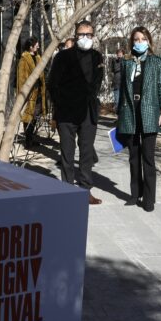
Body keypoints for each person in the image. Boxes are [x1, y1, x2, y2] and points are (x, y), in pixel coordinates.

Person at [48, 21, 104, 205]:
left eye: (89, 34)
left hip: (88, 112)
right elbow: (52, 84)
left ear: (93, 36)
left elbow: (97, 82)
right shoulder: (62, 57)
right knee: (67, 153)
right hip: (67, 113)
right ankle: (67, 190)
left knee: (87, 153)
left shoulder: (97, 57)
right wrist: (61, 104)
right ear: (75, 35)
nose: (85, 38)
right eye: (81, 34)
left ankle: (85, 190)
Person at [116, 26, 161, 212]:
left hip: (150, 111)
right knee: (133, 156)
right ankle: (134, 194)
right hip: (130, 111)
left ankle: (149, 198)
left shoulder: (156, 61)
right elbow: (122, 90)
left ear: (149, 41)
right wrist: (119, 114)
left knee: (148, 157)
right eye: (136, 39)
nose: (140, 42)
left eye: (143, 39)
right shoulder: (127, 62)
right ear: (132, 42)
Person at [17, 37, 47, 148]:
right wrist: (24, 94)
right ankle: (28, 141)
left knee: (35, 116)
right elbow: (21, 78)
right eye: (36, 44)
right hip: (30, 93)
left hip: (38, 92)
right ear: (31, 46)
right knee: (28, 116)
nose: (38, 46)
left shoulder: (38, 57)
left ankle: (30, 138)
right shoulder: (24, 59)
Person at [112, 48, 125, 112]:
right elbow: (113, 70)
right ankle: (117, 112)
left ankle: (122, 112)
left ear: (123, 54)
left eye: (120, 53)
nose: (119, 54)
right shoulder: (114, 61)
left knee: (123, 99)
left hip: (123, 81)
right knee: (116, 99)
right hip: (116, 81)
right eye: (118, 53)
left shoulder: (125, 61)